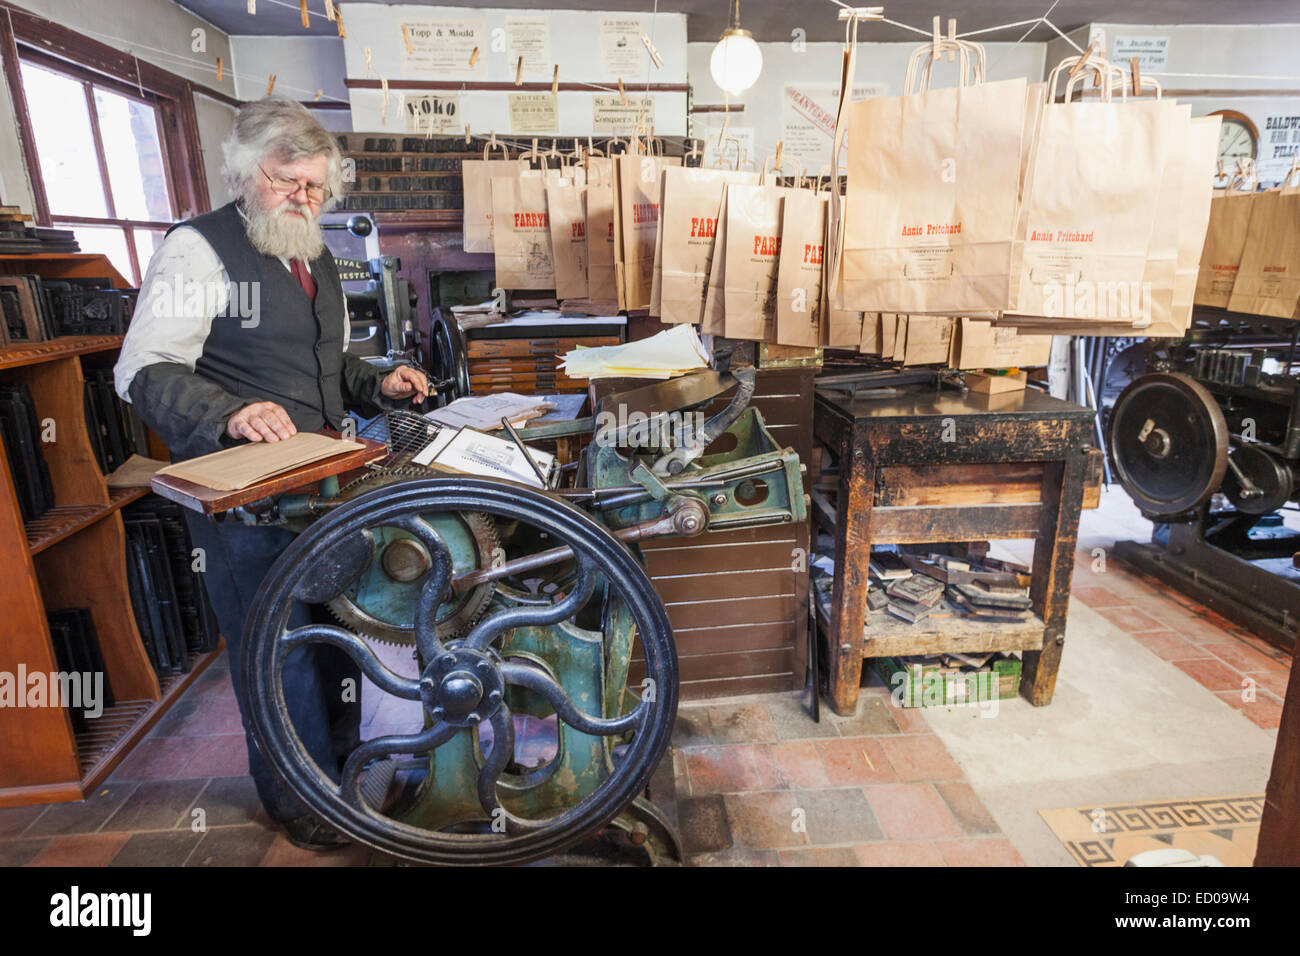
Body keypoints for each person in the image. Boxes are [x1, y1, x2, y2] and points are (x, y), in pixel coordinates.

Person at [115, 97, 428, 850]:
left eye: (318, 188)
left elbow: (326, 367)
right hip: (244, 502)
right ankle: (304, 805)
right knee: (276, 651)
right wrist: (229, 411)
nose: (305, 199)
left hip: (322, 491)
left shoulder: (316, 253)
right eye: (289, 182)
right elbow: (143, 370)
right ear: (245, 171)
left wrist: (375, 383)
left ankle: (350, 773)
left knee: (337, 637)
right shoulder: (198, 248)